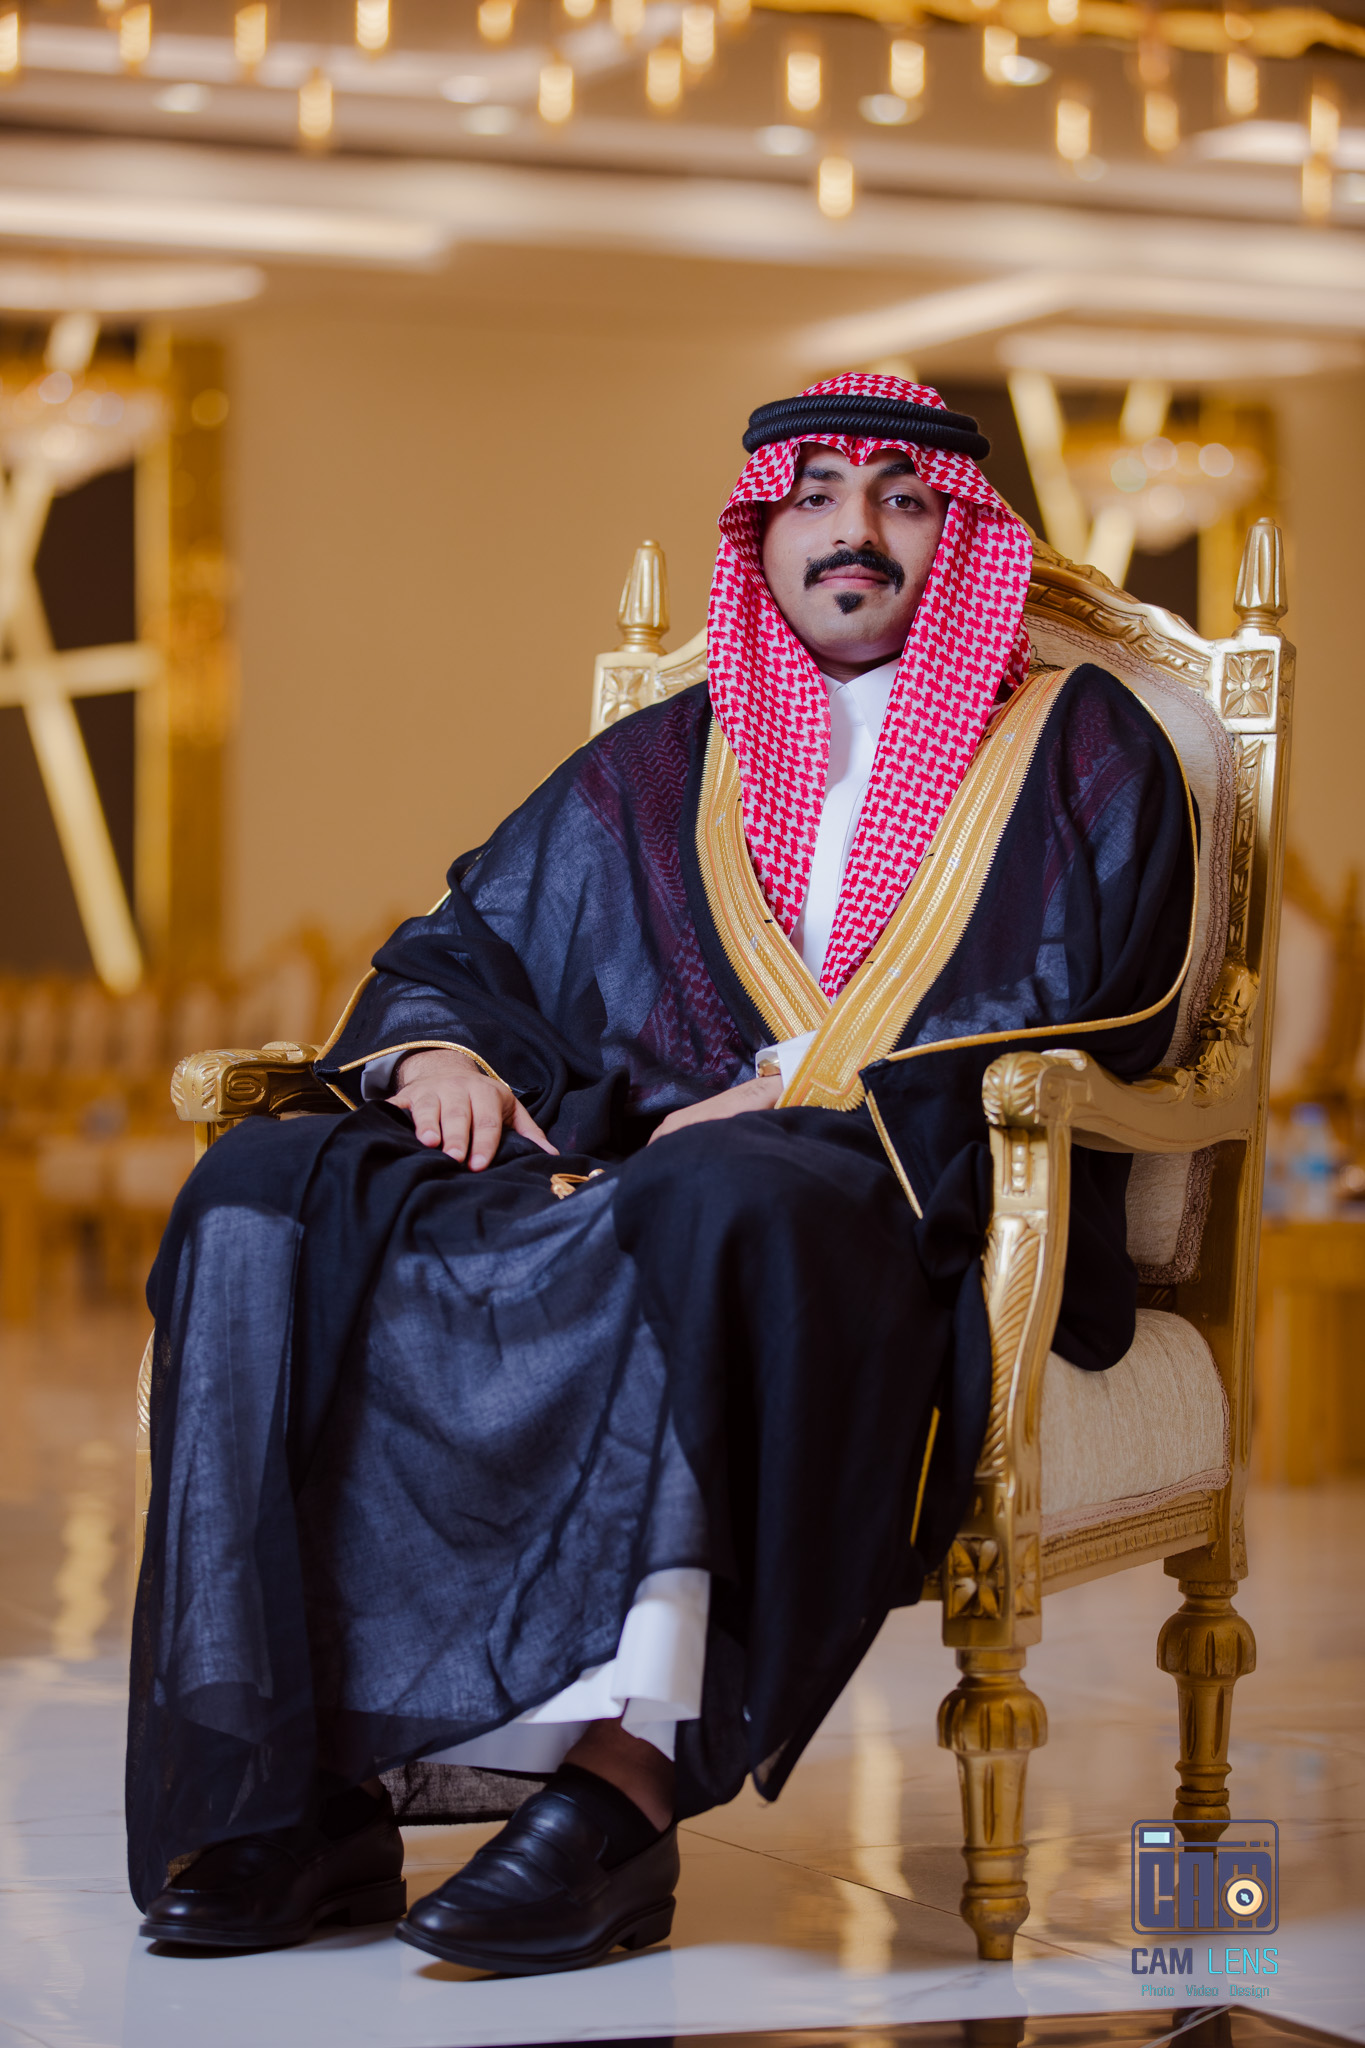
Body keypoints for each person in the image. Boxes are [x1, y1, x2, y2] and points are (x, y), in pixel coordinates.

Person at [128, 373, 1195, 1974]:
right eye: (814, 496)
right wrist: (436, 1055)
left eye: (900, 500)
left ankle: (618, 1794)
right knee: (273, 1190)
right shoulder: (664, 757)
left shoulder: (1079, 744)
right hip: (641, 1170)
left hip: (892, 1182)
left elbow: (1095, 994)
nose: (853, 532)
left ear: (957, 536)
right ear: (761, 532)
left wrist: (793, 1090)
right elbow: (469, 943)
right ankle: (305, 1793)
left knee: (718, 1198)